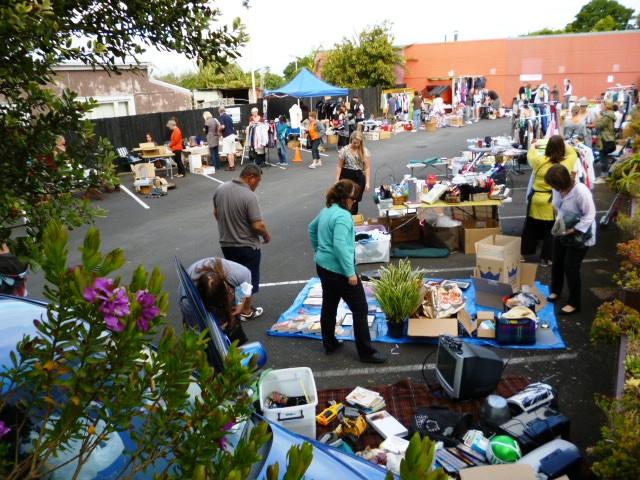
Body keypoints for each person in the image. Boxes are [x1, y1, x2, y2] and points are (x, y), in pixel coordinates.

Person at [308, 179, 386, 364]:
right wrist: (350, 273)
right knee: (360, 308)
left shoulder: (327, 210)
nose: (355, 202)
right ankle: (366, 352)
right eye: (354, 198)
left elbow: (312, 228)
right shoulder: (343, 216)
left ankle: (330, 343)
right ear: (345, 198)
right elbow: (340, 246)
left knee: (329, 304)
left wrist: (319, 250)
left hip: (323, 266)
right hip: (339, 271)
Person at [212, 164, 270, 320]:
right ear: (250, 177)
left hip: (227, 243)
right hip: (247, 245)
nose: (257, 186)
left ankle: (234, 306)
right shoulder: (249, 196)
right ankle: (246, 310)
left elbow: (216, 213)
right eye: (257, 182)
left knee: (232, 277)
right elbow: (258, 225)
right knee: (247, 280)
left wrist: (229, 226)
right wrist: (266, 235)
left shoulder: (221, 189)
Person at [545, 164, 596, 315]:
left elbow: (590, 215)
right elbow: (557, 207)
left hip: (580, 232)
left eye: (555, 186)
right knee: (557, 261)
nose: (554, 189)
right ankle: (556, 291)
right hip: (563, 228)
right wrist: (561, 226)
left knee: (570, 267)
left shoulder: (580, 191)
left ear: (562, 182)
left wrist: (573, 230)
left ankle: (574, 303)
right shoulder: (557, 189)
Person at [521, 135, 578, 266]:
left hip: (536, 199)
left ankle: (524, 254)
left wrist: (536, 143)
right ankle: (545, 259)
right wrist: (564, 144)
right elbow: (572, 152)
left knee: (530, 227)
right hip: (552, 200)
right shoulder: (566, 163)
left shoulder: (538, 161)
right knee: (550, 230)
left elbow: (531, 151)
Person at [188, 257, 255, 345]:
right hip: (201, 299)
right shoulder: (188, 299)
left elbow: (244, 284)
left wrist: (239, 303)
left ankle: (237, 344)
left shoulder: (238, 273)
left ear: (226, 287)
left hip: (225, 288)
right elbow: (195, 328)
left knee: (232, 323)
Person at [336, 131, 371, 215]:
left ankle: (353, 219)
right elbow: (339, 166)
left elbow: (367, 167)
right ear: (351, 139)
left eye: (358, 143)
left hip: (358, 177)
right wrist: (337, 179)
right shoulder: (344, 150)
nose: (355, 145)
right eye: (354, 142)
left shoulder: (364, 151)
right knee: (345, 199)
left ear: (361, 142)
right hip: (346, 176)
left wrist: (368, 182)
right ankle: (343, 217)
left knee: (354, 200)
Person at [595, 100, 616, 179]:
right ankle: (605, 174)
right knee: (604, 156)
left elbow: (598, 125)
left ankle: (605, 174)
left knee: (603, 156)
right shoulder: (609, 115)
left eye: (602, 105)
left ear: (606, 106)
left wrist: (598, 117)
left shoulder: (607, 116)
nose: (601, 107)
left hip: (605, 138)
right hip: (608, 138)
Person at [218, 106, 236, 171]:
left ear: (219, 112)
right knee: (231, 152)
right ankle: (233, 166)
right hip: (232, 135)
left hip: (227, 136)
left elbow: (223, 126)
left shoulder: (222, 117)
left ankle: (231, 166)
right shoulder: (229, 117)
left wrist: (218, 128)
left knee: (228, 152)